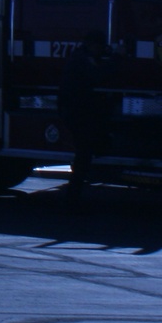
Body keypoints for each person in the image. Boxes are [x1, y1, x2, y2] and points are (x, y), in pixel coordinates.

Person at [57, 30, 113, 204]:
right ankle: (72, 198)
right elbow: (97, 75)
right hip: (77, 113)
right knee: (83, 154)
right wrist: (115, 60)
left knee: (84, 154)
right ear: (92, 45)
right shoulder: (82, 59)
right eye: (100, 46)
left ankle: (74, 195)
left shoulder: (79, 57)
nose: (101, 50)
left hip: (76, 112)